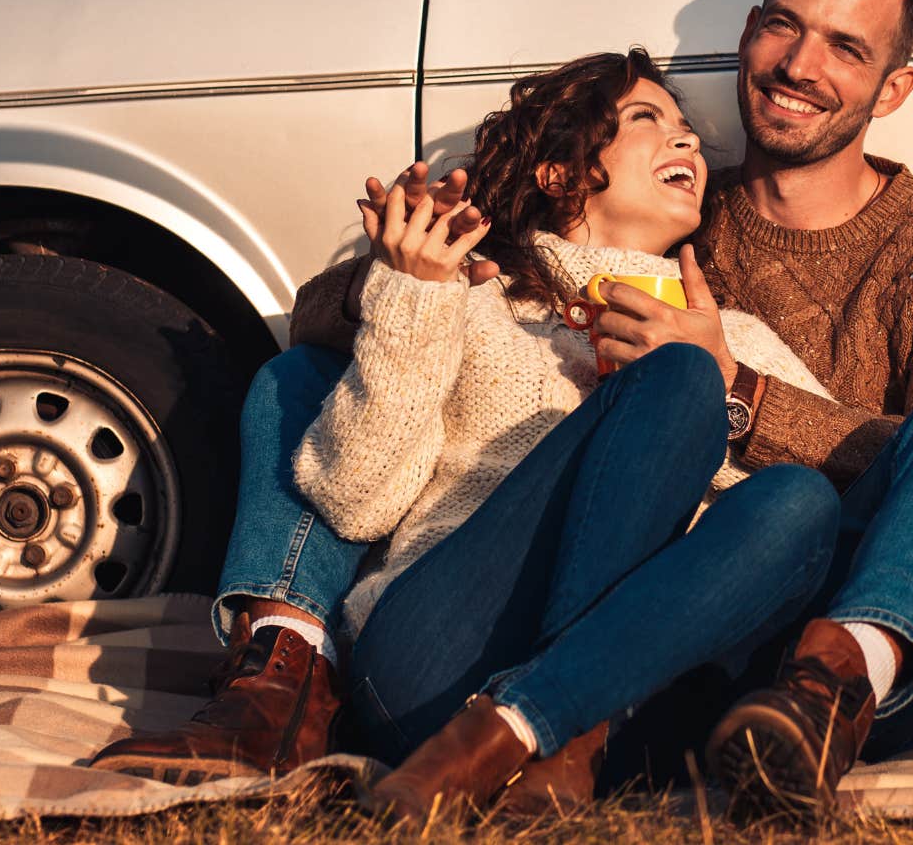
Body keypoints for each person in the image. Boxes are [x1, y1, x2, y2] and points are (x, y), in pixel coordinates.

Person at [303, 0, 913, 811]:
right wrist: (421, 269)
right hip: (651, 646)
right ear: (750, 34)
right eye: (783, 26)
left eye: (845, 48)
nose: (800, 66)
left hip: (805, 636)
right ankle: (564, 728)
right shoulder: (670, 214)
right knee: (725, 439)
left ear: (890, 90)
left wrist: (742, 392)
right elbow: (328, 314)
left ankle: (838, 677)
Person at [90, 50, 843, 823]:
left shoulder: (735, 337)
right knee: (679, 382)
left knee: (796, 492)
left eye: (688, 130)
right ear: (559, 173)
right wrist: (415, 292)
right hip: (440, 668)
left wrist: (690, 415)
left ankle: (553, 726)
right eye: (649, 121)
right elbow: (354, 501)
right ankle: (412, 705)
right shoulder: (478, 298)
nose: (687, 143)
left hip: (632, 703)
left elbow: (803, 530)